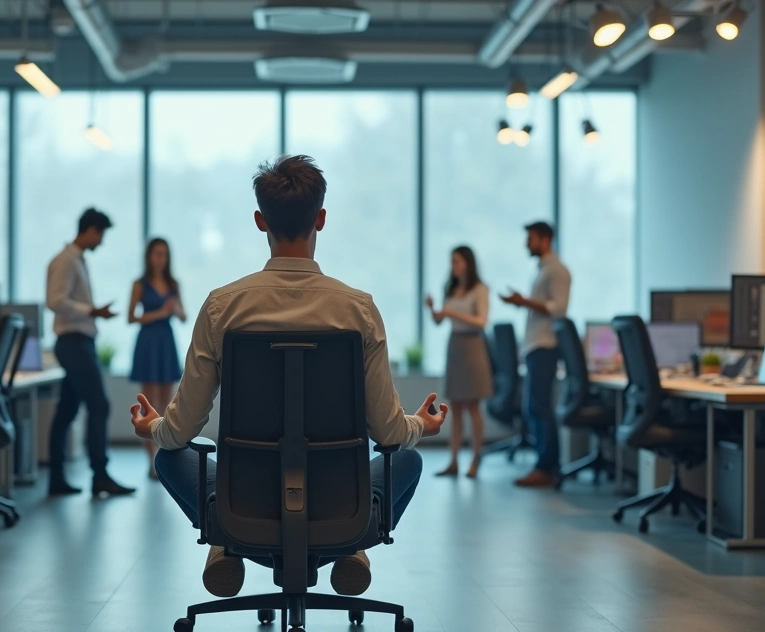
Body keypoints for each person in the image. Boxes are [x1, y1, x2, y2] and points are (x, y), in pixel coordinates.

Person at [129, 155, 447, 600]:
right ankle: (350, 547)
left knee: (167, 456)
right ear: (321, 219)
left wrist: (154, 428)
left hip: (244, 507)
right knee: (408, 459)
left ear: (260, 221)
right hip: (341, 506)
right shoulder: (359, 310)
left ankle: (225, 544)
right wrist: (421, 425)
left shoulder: (222, 307)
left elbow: (179, 431)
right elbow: (389, 433)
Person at [45, 208, 134, 498]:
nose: (101, 242)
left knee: (67, 411)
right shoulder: (66, 261)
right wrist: (91, 311)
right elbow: (54, 301)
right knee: (99, 404)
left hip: (78, 341)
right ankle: (100, 476)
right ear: (91, 230)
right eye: (101, 235)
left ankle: (57, 478)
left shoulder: (77, 260)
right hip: (73, 343)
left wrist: (92, 312)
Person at [499, 221, 571, 488]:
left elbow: (559, 308)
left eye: (530, 238)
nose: (526, 244)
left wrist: (524, 301)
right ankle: (545, 466)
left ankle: (546, 468)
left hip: (545, 346)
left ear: (545, 239)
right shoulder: (543, 270)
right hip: (535, 346)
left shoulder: (557, 271)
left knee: (539, 407)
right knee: (534, 407)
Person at [425, 246, 493, 478]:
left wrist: (451, 313)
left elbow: (482, 321)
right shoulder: (451, 288)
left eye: (457, 261)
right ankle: (453, 461)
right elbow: (439, 320)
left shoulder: (480, 289)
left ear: (468, 263)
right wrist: (433, 309)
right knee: (454, 407)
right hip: (454, 346)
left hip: (473, 347)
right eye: (452, 261)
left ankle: (475, 458)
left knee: (473, 406)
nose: (453, 266)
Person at [128, 238, 186, 480]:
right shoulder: (139, 284)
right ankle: (150, 461)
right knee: (148, 401)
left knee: (166, 403)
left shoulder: (173, 284)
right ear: (149, 257)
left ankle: (163, 459)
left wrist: (175, 310)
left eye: (164, 254)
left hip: (166, 342)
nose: (161, 258)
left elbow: (183, 316)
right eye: (157, 254)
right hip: (148, 342)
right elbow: (131, 318)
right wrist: (161, 313)